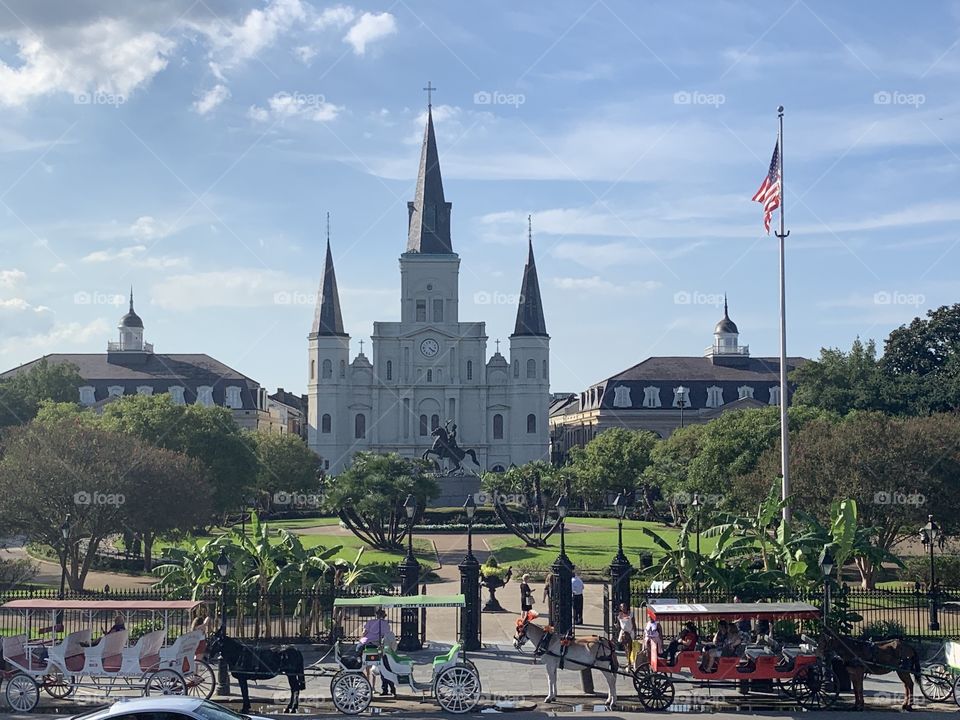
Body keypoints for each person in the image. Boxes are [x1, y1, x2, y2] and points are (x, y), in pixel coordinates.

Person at [616, 603, 637, 671]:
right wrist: (616, 626)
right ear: (620, 608)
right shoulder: (619, 615)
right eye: (622, 607)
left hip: (630, 632)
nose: (624, 608)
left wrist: (635, 632)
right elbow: (619, 625)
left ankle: (629, 662)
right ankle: (628, 661)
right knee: (625, 648)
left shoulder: (630, 614)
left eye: (625, 606)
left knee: (630, 647)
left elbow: (633, 623)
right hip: (623, 633)